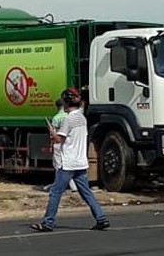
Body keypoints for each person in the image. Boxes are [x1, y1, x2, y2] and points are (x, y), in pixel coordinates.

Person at [30, 87, 110, 232]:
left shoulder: (69, 120)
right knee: (86, 192)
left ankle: (48, 223)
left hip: (68, 163)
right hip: (80, 161)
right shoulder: (82, 118)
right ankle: (101, 218)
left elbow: (59, 139)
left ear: (66, 104)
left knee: (55, 192)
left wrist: (51, 132)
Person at [43, 98, 78, 192]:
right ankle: (67, 185)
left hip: (58, 143)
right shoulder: (69, 116)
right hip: (69, 143)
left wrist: (51, 145)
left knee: (58, 166)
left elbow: (53, 134)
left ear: (57, 106)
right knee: (68, 164)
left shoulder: (56, 118)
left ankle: (67, 186)